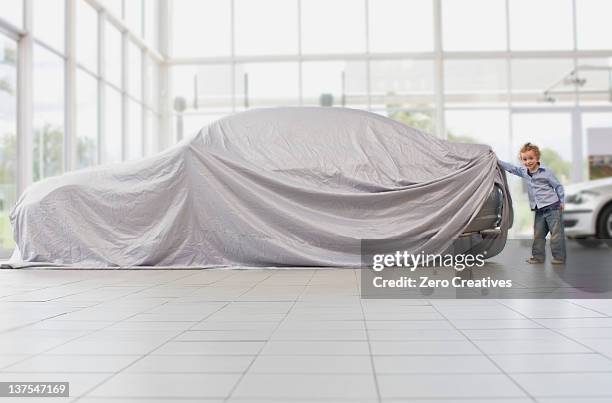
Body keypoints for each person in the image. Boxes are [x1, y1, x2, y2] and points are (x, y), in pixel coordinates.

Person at [499, 142, 566, 265]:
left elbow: (558, 186)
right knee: (538, 234)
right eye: (525, 159)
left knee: (556, 234)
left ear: (537, 158)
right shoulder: (524, 172)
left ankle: (559, 258)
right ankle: (538, 257)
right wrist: (496, 161)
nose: (528, 161)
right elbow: (511, 168)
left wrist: (562, 201)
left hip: (552, 207)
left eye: (531, 158)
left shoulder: (546, 172)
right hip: (539, 209)